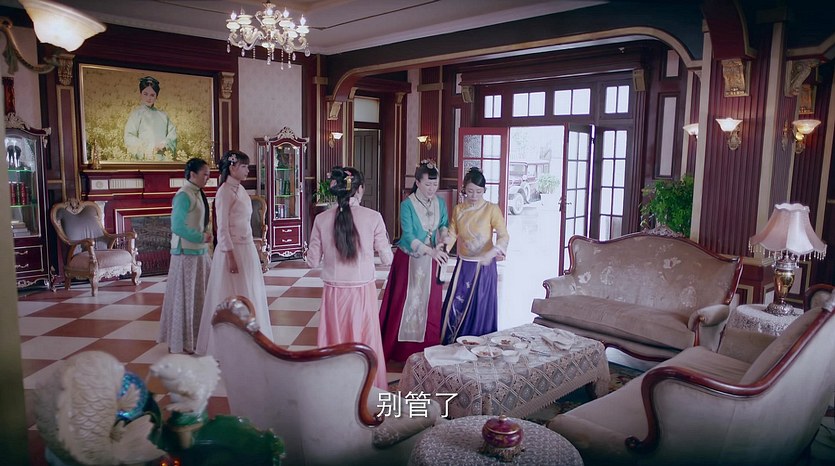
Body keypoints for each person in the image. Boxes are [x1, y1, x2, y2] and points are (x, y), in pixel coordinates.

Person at [306, 167, 393, 389]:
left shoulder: (321, 219)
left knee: (335, 339)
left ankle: (333, 387)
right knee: (364, 338)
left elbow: (312, 261)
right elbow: (387, 259)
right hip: (362, 290)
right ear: (360, 189)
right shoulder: (373, 217)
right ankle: (368, 388)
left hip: (334, 291)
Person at [195, 150, 274, 355]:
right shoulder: (224, 192)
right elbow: (222, 228)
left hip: (246, 247)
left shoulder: (240, 189)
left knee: (248, 291)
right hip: (231, 250)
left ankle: (250, 339)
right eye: (244, 166)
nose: (248, 170)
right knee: (230, 294)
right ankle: (227, 345)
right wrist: (230, 256)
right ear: (232, 167)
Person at [378, 160, 449, 362]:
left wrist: (444, 238)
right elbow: (408, 236)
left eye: (435, 184)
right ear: (417, 182)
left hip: (432, 258)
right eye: (428, 184)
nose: (432, 188)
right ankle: (402, 350)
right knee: (406, 302)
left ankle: (428, 346)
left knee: (430, 303)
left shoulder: (440, 203)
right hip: (409, 260)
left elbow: (444, 224)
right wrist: (430, 251)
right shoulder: (407, 205)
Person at [440, 166, 510, 344]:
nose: (474, 195)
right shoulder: (459, 209)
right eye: (470, 191)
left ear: (484, 190)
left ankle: (479, 343)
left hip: (484, 265)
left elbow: (504, 235)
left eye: (479, 191)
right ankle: (454, 341)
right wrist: (444, 249)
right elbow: (453, 233)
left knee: (480, 305)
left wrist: (494, 251)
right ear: (464, 189)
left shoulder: (491, 209)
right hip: (464, 264)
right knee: (456, 303)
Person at [158, 158, 212, 354]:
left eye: (208, 174)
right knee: (186, 298)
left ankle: (198, 338)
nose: (208, 178)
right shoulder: (183, 195)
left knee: (199, 297)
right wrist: (200, 237)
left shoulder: (197, 192)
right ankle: (183, 341)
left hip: (199, 252)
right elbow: (177, 226)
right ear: (193, 174)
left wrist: (205, 235)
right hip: (186, 253)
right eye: (205, 174)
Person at [124, 76, 177, 160]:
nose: (148, 98)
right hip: (144, 159)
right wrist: (145, 149)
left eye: (152, 95)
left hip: (163, 158)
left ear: (157, 96)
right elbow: (129, 136)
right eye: (145, 94)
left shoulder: (163, 116)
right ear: (141, 94)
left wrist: (164, 144)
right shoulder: (136, 115)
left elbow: (172, 135)